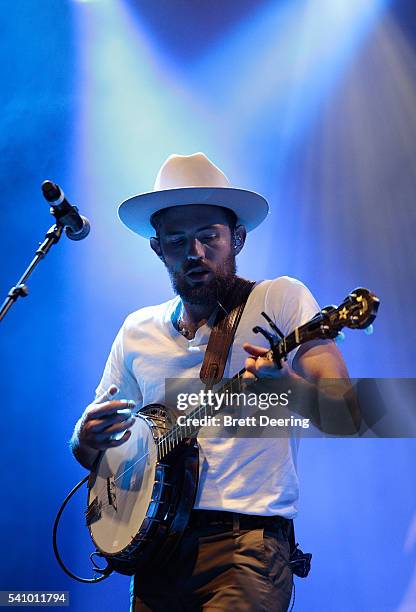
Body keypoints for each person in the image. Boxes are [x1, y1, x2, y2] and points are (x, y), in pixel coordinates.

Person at [70, 153, 350, 611]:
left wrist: (283, 386)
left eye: (209, 237)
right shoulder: (137, 329)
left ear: (237, 238)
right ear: (158, 248)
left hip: (245, 549)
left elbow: (345, 409)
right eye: (178, 241)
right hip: (155, 556)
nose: (195, 252)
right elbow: (94, 454)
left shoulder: (279, 298)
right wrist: (84, 438)